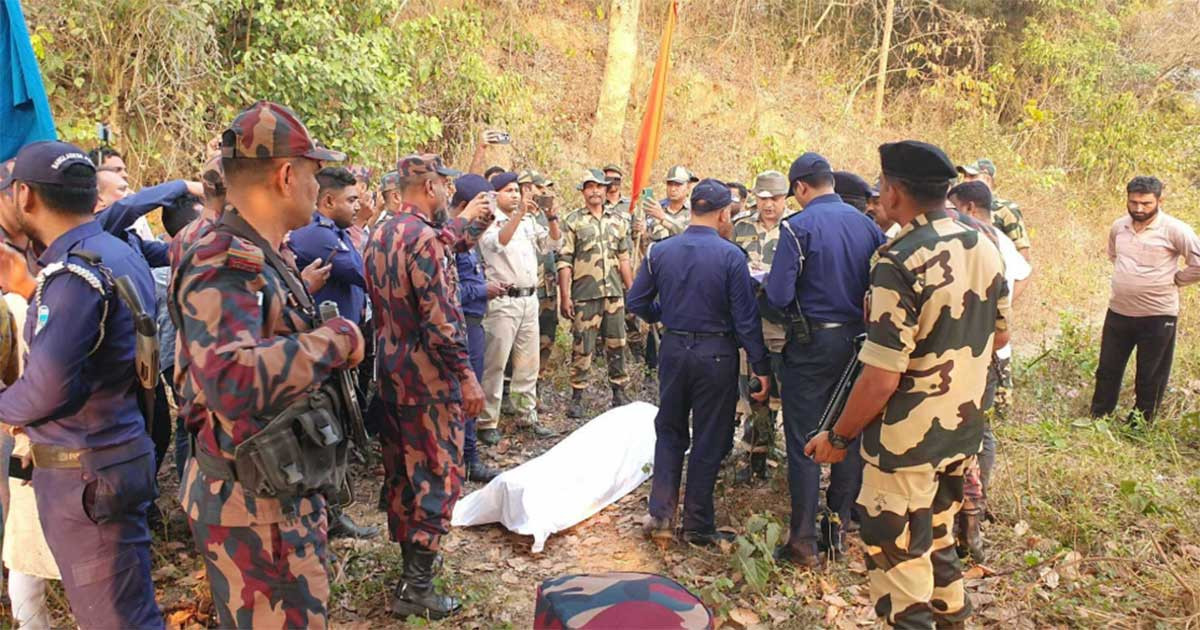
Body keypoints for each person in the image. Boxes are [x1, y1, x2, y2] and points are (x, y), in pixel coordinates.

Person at [173, 101, 364, 629]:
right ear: (285, 175)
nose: (316, 188)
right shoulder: (226, 259)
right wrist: (336, 339)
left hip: (274, 487)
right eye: (312, 174)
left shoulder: (259, 252)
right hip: (254, 506)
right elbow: (230, 379)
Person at [806, 140, 1009, 630]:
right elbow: (1000, 333)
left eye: (881, 186)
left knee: (899, 565)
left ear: (894, 191)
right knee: (939, 542)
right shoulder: (983, 241)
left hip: (905, 444)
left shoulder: (897, 259)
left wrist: (838, 438)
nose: (878, 195)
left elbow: (880, 376)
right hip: (960, 432)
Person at [0, 140, 163, 629]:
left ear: (25, 195)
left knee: (115, 619)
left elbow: (48, 389)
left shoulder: (72, 272)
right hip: (117, 451)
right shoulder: (112, 251)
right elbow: (101, 341)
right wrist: (31, 288)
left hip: (85, 473)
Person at [364, 153, 487, 619]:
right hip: (430, 384)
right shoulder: (426, 242)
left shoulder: (382, 233)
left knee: (402, 478)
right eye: (444, 187)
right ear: (431, 187)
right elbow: (442, 322)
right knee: (439, 477)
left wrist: (469, 224)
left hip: (392, 377)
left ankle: (409, 573)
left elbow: (444, 241)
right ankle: (417, 588)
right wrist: (466, 375)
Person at [628, 178, 770, 545]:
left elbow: (637, 303)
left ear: (691, 208)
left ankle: (661, 515)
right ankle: (697, 523)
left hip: (674, 351)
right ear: (724, 213)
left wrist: (668, 312)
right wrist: (760, 366)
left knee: (670, 430)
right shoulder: (730, 256)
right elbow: (745, 319)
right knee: (710, 436)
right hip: (717, 354)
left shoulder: (661, 251)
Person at [765, 151, 886, 567]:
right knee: (846, 434)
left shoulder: (798, 228)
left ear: (799, 188)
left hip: (812, 345)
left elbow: (779, 295)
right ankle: (836, 533)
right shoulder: (870, 229)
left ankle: (802, 540)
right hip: (859, 346)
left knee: (804, 440)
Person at [285, 165, 381, 540]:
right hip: (325, 355)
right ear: (327, 201)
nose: (359, 206)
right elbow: (364, 273)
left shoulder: (339, 233)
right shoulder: (318, 237)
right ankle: (327, 512)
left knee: (339, 431)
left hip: (344, 350)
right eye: (351, 200)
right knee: (327, 433)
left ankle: (332, 510)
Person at [947, 180, 1032, 561]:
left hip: (966, 356)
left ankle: (965, 520)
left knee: (961, 436)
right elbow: (1013, 293)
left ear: (965, 207)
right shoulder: (998, 240)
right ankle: (972, 522)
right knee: (978, 434)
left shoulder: (963, 240)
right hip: (987, 354)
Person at [1090, 175, 1200, 426]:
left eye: (1146, 204)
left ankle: (1139, 424)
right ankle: (1098, 417)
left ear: (1160, 200)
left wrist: (1178, 279)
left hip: (1158, 315)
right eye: (1134, 202)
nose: (1139, 209)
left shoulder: (1175, 229)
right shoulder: (1119, 227)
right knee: (1108, 369)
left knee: (1150, 375)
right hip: (1119, 311)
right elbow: (1114, 256)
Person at [477, 171, 560, 442]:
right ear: (495, 195)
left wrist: (551, 218)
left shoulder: (526, 221)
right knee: (496, 363)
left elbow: (551, 244)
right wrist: (518, 213)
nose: (514, 195)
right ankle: (487, 421)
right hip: (503, 300)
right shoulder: (489, 220)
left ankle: (526, 416)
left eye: (516, 190)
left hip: (529, 298)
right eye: (508, 191)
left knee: (528, 361)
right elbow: (498, 243)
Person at [558, 169, 634, 418]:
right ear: (583, 191)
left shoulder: (618, 221)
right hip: (585, 294)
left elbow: (624, 259)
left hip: (613, 293)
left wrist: (631, 291)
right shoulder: (573, 221)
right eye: (589, 187)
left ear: (606, 189)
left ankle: (619, 391)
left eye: (599, 187)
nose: (595, 191)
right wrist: (566, 296)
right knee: (583, 346)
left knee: (617, 343)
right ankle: (578, 395)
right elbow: (564, 260)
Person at [731, 170, 788, 482]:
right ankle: (754, 458)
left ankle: (777, 452)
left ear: (785, 199)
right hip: (749, 325)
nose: (768, 205)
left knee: (779, 394)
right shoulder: (741, 227)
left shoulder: (795, 229)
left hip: (781, 327)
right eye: (763, 198)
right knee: (752, 394)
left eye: (775, 199)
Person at [957, 158, 1031, 260]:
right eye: (965, 176)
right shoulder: (959, 206)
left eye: (972, 176)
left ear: (987, 179)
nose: (965, 180)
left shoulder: (1005, 209)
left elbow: (1022, 250)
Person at [648, 165, 696, 241]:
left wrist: (664, 217)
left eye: (678, 184)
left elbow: (691, 237)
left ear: (688, 186)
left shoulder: (695, 211)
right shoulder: (655, 209)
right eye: (670, 184)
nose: (673, 189)